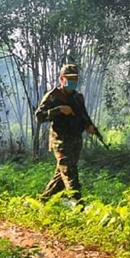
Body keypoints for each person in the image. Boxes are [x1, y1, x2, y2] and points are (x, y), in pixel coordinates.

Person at [34, 63, 101, 203]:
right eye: (69, 78)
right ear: (61, 79)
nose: (72, 82)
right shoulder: (52, 96)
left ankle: (42, 202)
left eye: (75, 79)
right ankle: (78, 205)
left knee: (61, 175)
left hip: (75, 141)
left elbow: (83, 116)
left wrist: (90, 126)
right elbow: (39, 117)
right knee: (70, 173)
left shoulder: (78, 97)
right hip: (60, 142)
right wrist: (58, 110)